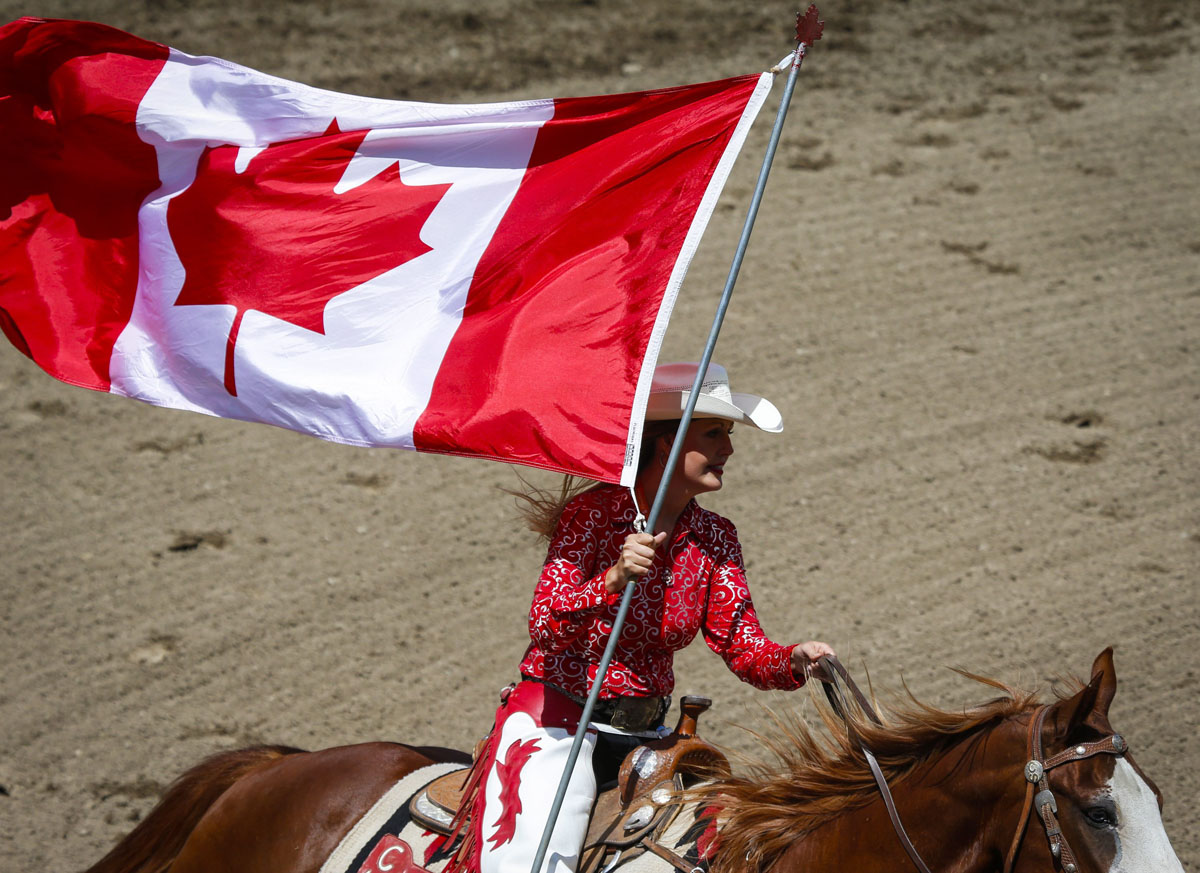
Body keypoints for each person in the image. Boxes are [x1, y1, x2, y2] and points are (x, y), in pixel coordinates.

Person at [455, 362, 835, 873]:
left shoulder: (716, 537)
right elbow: (545, 626)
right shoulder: (592, 516)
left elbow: (743, 647)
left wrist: (794, 660)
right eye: (714, 433)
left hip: (652, 736)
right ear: (667, 444)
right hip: (560, 723)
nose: (729, 448)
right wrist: (610, 581)